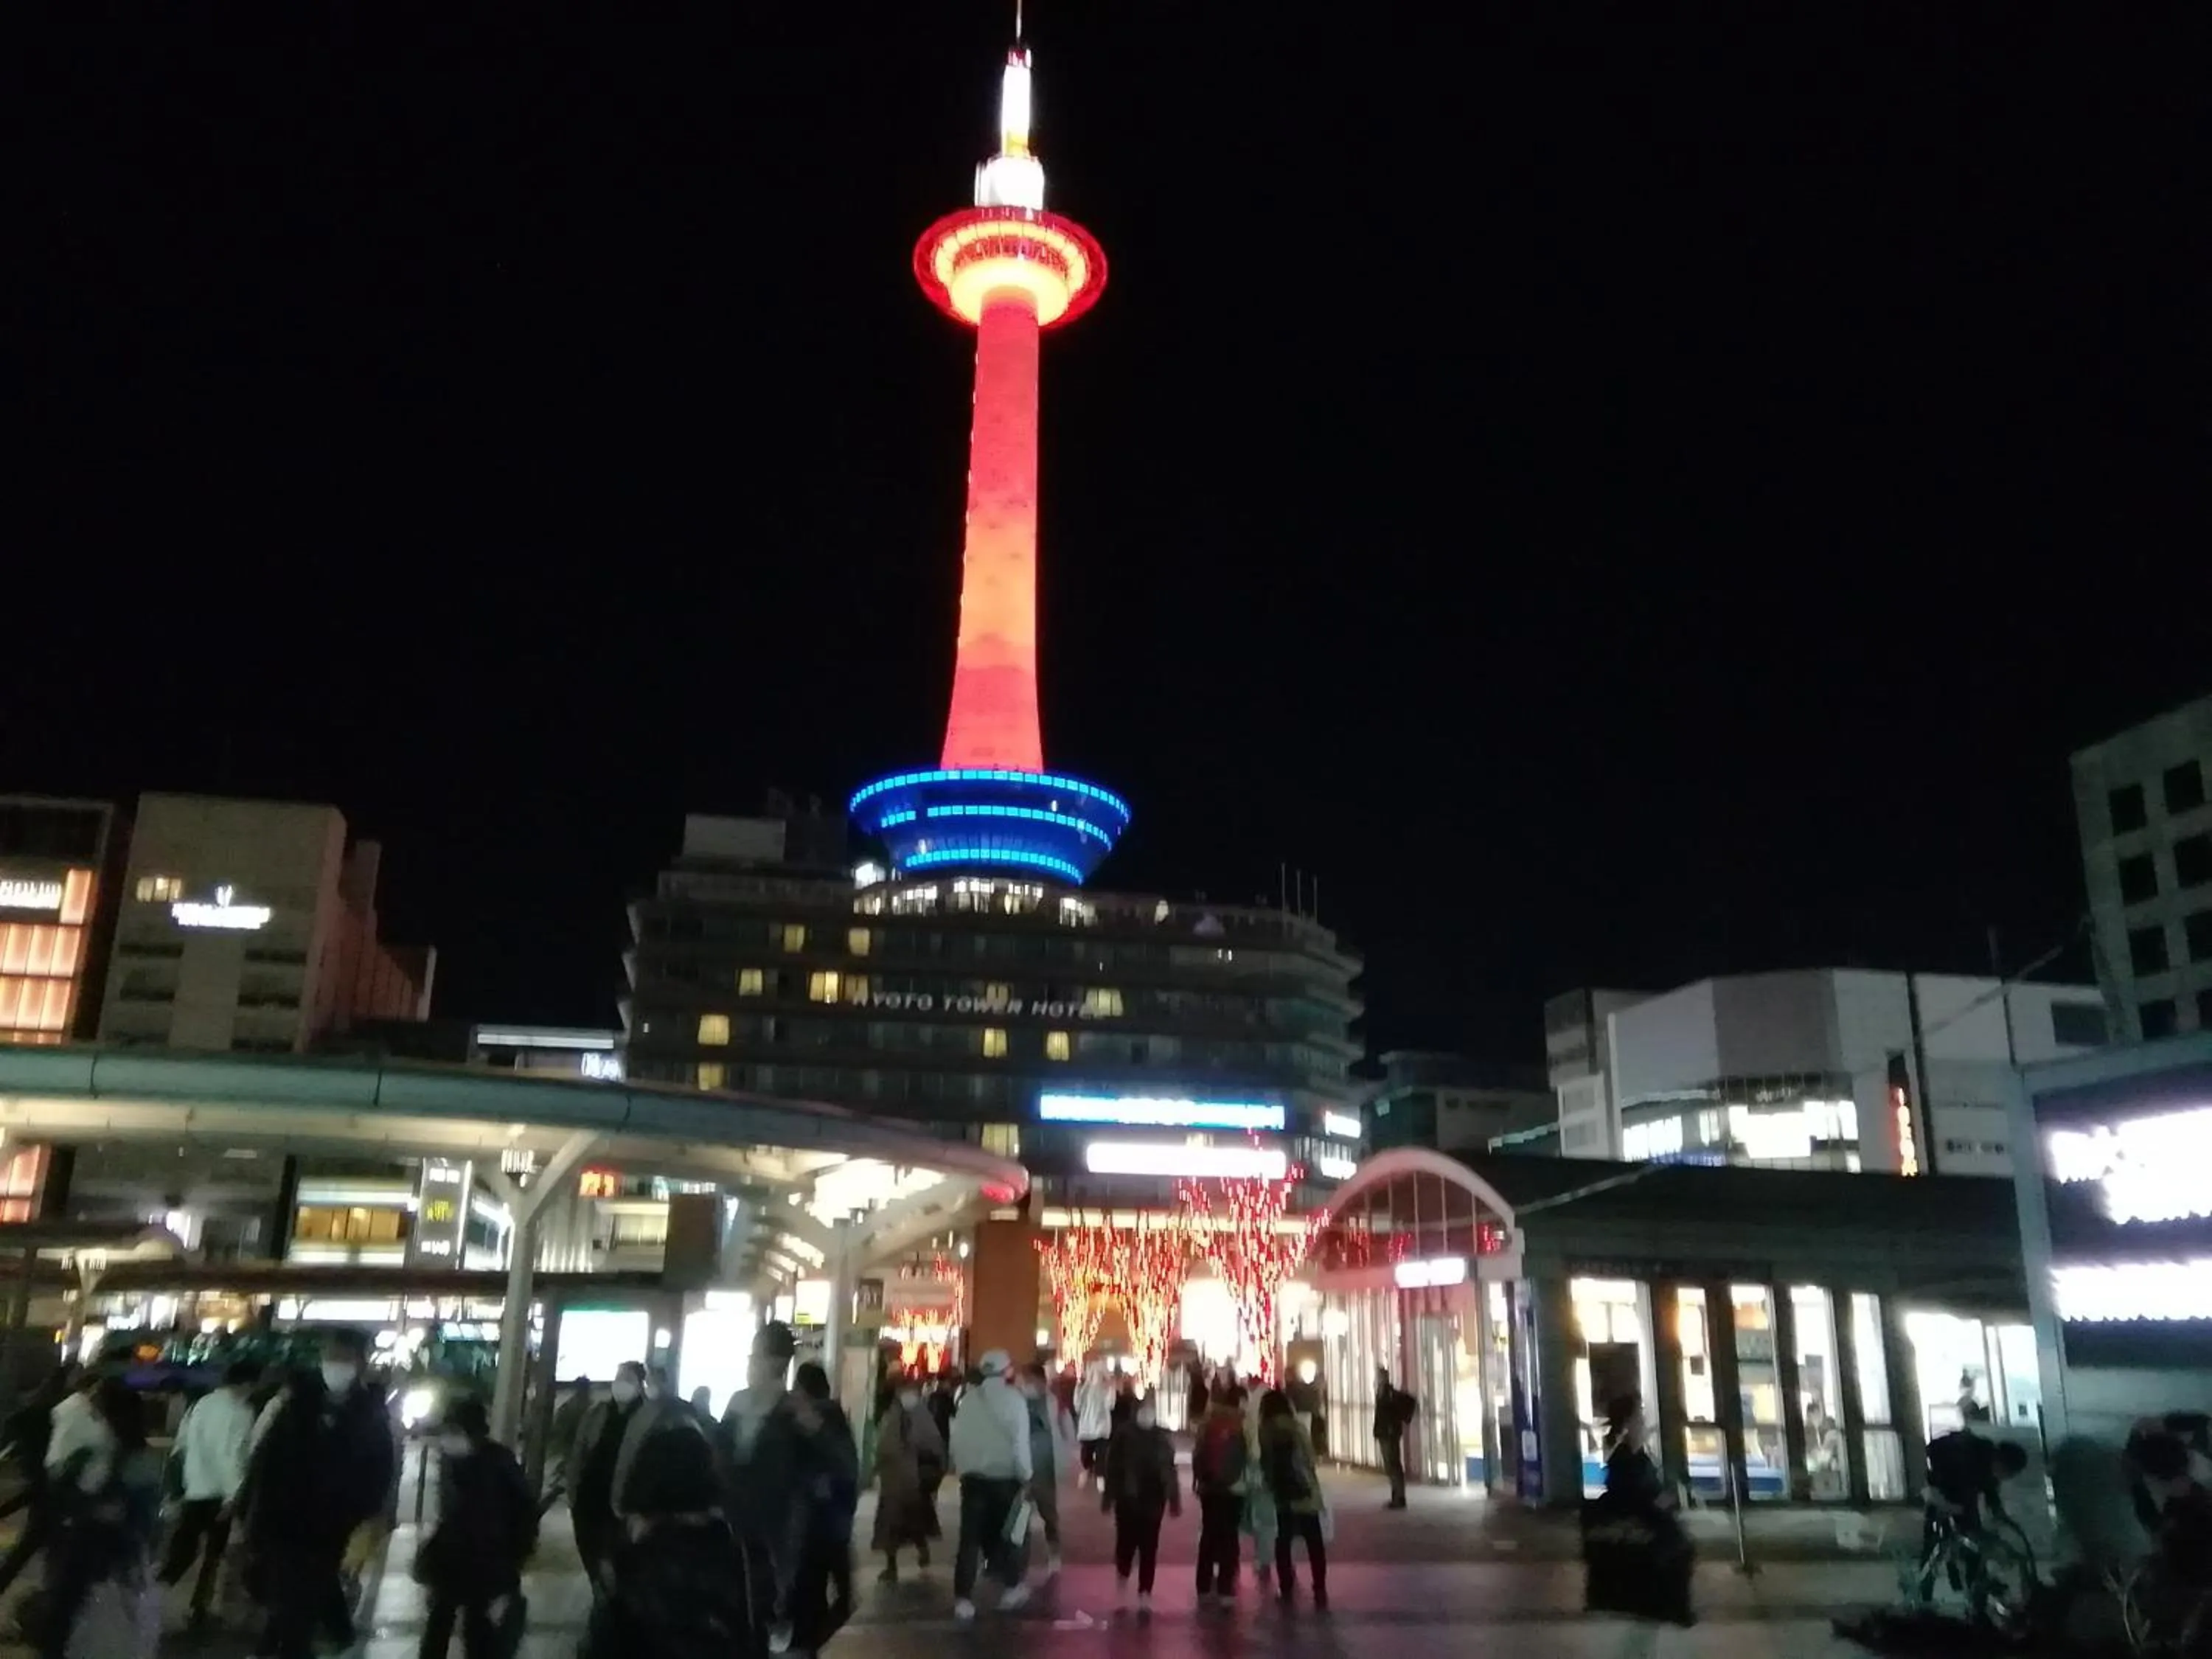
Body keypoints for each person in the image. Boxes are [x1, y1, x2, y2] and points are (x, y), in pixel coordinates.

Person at [239, 1331, 399, 1659]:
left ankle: (306, 1642)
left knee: (299, 1605)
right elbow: (263, 1465)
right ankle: (316, 1641)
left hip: (333, 1530)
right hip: (284, 1525)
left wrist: (366, 1518)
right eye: (331, 1358)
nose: (336, 1366)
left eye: (344, 1359)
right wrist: (252, 1519)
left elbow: (380, 1472)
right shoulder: (293, 1404)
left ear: (360, 1363)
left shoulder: (369, 1412)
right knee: (295, 1606)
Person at [416, 1396, 535, 1659]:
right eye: (446, 1432)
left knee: (480, 1635)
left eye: (455, 1432)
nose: (448, 1439)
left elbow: (524, 1517)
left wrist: (509, 1576)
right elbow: (449, 1516)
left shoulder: (500, 1464)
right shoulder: (451, 1462)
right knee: (437, 1627)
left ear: (474, 1432)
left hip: (488, 1565)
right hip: (452, 1560)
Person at [161, 1357, 262, 1632]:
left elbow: (182, 1445)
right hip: (219, 1494)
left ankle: (153, 1596)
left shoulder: (202, 1404)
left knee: (182, 1551)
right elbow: (231, 1456)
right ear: (247, 1383)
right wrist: (233, 1495)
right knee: (213, 1555)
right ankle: (199, 1607)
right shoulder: (241, 1412)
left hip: (195, 1488)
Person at [1581, 1393, 1694, 1627]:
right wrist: (1657, 1503)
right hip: (1641, 1524)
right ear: (1628, 1423)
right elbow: (1628, 1494)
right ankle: (1668, 1609)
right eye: (1639, 1416)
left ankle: (1666, 1609)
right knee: (1675, 1552)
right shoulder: (1625, 1457)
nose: (1643, 1422)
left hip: (1646, 1520)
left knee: (1678, 1550)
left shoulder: (1636, 1454)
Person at [946, 1349, 1032, 1621]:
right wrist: (1026, 1475)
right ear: (1007, 1371)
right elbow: (1020, 1444)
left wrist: (962, 1471)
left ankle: (963, 1599)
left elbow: (957, 1441)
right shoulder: (1014, 1401)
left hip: (973, 1481)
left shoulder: (968, 1401)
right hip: (1004, 1481)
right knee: (1008, 1536)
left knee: (969, 1540)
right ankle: (1011, 1588)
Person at [784, 1361, 859, 1656]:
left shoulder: (812, 1420)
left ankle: (806, 1644)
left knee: (809, 1598)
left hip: (812, 1527)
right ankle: (808, 1643)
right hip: (834, 1526)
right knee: (834, 1599)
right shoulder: (834, 1418)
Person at [569, 1362, 650, 1595]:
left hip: (622, 1503)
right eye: (619, 1377)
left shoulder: (646, 1417)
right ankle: (601, 1598)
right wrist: (573, 1491)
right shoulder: (598, 1413)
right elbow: (579, 1451)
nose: (621, 1382)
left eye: (627, 1378)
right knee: (593, 1556)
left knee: (617, 1562)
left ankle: (610, 1608)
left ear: (639, 1384)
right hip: (589, 1500)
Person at [0, 1366, 79, 1599]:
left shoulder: (26, 1416)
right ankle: (51, 1600)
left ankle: (49, 1599)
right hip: (54, 1491)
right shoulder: (61, 1415)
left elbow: (11, 1451)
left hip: (41, 1489)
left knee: (30, 1547)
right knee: (46, 1547)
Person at [1100, 1391, 1178, 1613]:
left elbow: (1169, 1470)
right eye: (1144, 1409)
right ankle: (1123, 1581)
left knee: (1149, 1546)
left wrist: (1173, 1498)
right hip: (1128, 1499)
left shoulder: (1162, 1437)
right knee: (1126, 1543)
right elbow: (1113, 1468)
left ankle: (1145, 1591)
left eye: (1151, 1409)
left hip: (1154, 1499)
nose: (1147, 1414)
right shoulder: (1123, 1436)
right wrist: (1109, 1496)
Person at [1254, 1389, 1327, 1610]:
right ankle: (1320, 1586)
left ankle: (1286, 1585)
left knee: (1283, 1540)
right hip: (1305, 1492)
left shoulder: (1265, 1431)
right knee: (1314, 1541)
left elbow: (1263, 1462)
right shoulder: (1298, 1429)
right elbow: (1310, 1458)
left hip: (1282, 1494)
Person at [872, 1377, 944, 1582]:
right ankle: (894, 1564)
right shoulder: (897, 1416)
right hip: (898, 1480)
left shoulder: (917, 1415)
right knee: (896, 1524)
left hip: (912, 1480)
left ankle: (917, 1554)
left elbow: (933, 1444)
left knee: (912, 1521)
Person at [1191, 1385, 1250, 1604]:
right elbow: (1245, 1456)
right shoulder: (1239, 1426)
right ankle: (1226, 1587)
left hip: (1209, 1488)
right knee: (1229, 1538)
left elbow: (1197, 1455)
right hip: (1233, 1489)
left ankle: (1203, 1585)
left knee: (1208, 1535)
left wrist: (1200, 1479)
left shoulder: (1207, 1425)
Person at [1019, 1363, 1074, 1579]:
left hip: (1045, 1467)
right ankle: (1020, 1559)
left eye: (1031, 1381)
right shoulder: (1017, 1402)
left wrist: (1065, 1457)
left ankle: (1054, 1554)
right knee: (1020, 1518)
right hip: (1022, 1467)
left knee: (1049, 1514)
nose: (1028, 1385)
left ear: (1042, 1381)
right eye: (1026, 1381)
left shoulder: (1055, 1403)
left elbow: (1068, 1432)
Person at [1374, 1367, 1416, 1509]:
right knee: (1391, 1465)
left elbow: (1387, 1414)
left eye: (1379, 1376)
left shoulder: (1388, 1393)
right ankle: (1396, 1495)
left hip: (1389, 1433)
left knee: (1393, 1465)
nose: (1377, 1379)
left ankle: (1399, 1497)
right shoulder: (1383, 1392)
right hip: (1386, 1432)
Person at [1074, 1363, 1113, 1486]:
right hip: (1087, 1426)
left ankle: (1100, 1475)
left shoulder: (1107, 1388)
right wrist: (1078, 1389)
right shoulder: (1084, 1388)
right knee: (1087, 1452)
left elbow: (1110, 1404)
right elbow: (1078, 1406)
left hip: (1101, 1426)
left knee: (1102, 1452)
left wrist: (1110, 1389)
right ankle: (1087, 1470)